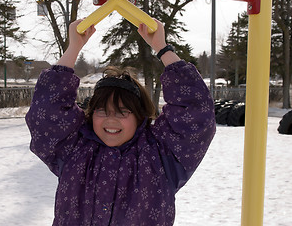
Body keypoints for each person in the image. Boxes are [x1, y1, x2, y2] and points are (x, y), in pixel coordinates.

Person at [25, 19, 216, 226]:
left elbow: (196, 113)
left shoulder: (161, 156)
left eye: (122, 112)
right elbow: (45, 113)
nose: (111, 119)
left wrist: (162, 48)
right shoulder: (74, 149)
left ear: (139, 115)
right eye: (102, 110)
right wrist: (74, 47)